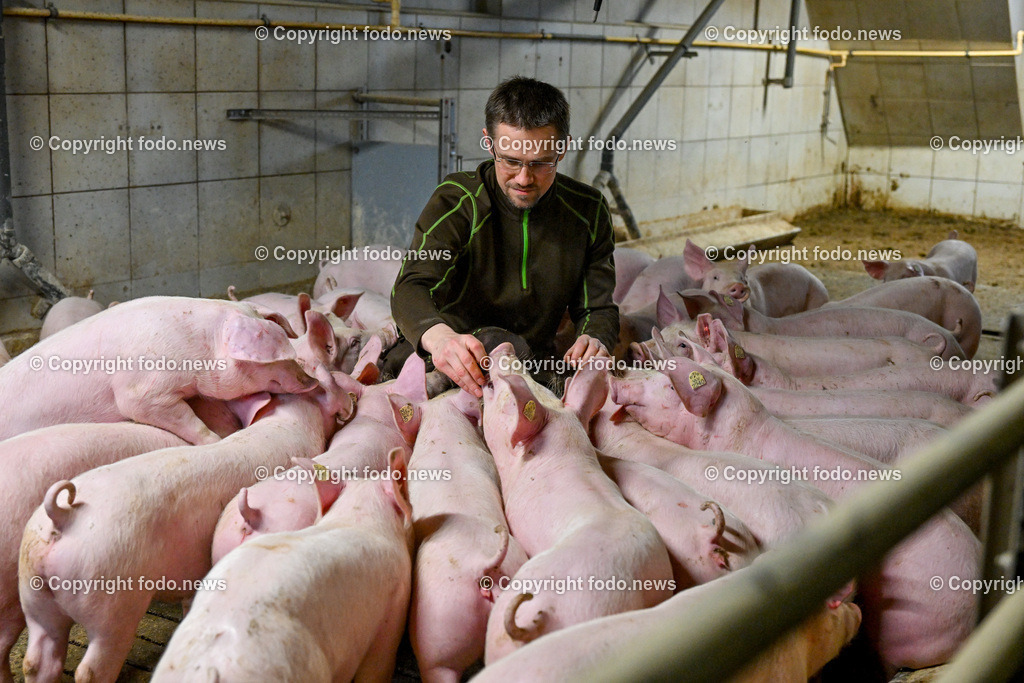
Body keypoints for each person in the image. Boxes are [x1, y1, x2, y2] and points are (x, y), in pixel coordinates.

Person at [388, 76, 619, 396]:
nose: (524, 179)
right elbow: (412, 285)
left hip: (531, 368)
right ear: (489, 142)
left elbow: (598, 307)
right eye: (510, 161)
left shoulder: (588, 210)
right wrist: (438, 337)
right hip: (451, 362)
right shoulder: (458, 201)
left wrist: (595, 339)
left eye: (541, 164)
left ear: (563, 148)